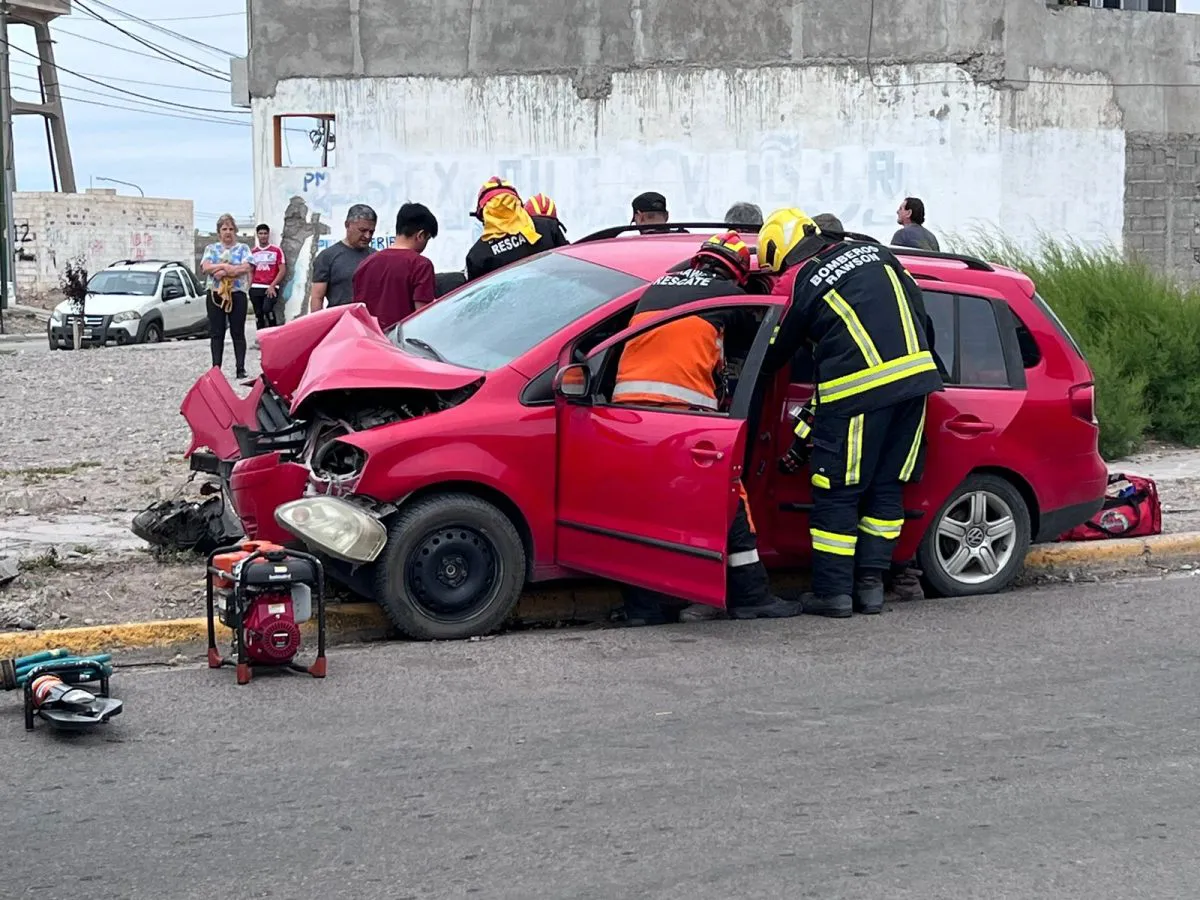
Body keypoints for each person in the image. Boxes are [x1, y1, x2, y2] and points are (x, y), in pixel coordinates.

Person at [756, 208, 944, 618]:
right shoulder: (880, 254)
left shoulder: (805, 279)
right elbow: (922, 317)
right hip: (916, 386)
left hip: (858, 394)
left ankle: (833, 594)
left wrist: (748, 370)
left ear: (784, 255)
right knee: (886, 488)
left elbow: (776, 350)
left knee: (837, 491)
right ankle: (870, 588)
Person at [610, 232, 803, 626]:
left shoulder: (657, 287)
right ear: (736, 273)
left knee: (646, 509)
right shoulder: (728, 296)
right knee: (730, 500)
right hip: (683, 416)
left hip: (626, 415)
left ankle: (645, 607)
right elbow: (758, 344)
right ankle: (751, 596)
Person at [351, 202, 439, 331]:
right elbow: (423, 317)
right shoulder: (420, 265)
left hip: (370, 339)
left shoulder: (365, 264)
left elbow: (358, 312)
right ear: (420, 235)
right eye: (428, 238)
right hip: (402, 341)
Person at [464, 177, 568, 282]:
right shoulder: (548, 227)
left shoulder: (477, 255)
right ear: (518, 204)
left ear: (484, 214)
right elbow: (570, 264)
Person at [199, 214, 254, 379]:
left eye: (231, 229)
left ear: (235, 231)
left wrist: (224, 271)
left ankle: (240, 368)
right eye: (224, 229)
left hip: (237, 293)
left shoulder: (243, 248)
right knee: (217, 332)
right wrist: (225, 266)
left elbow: (246, 267)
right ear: (219, 232)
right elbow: (206, 267)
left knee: (238, 331)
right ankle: (216, 368)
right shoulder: (211, 249)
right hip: (216, 294)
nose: (228, 232)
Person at [309, 203, 378, 314]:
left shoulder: (376, 257)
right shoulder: (327, 256)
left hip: (370, 320)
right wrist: (318, 323)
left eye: (371, 232)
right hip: (341, 320)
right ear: (347, 225)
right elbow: (317, 297)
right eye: (362, 230)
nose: (367, 236)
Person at [249, 223, 286, 329]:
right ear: (257, 235)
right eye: (260, 233)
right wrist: (250, 286)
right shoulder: (253, 252)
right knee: (258, 314)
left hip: (271, 287)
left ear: (268, 234)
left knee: (267, 309)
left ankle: (273, 332)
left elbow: (282, 270)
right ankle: (260, 335)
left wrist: (272, 285)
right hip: (256, 287)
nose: (263, 236)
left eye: (265, 233)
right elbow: (251, 271)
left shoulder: (276, 250)